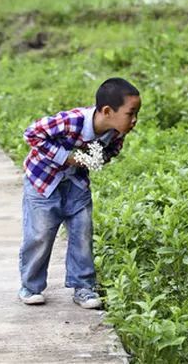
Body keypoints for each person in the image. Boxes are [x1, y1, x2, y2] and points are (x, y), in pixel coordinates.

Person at [19, 78, 141, 308]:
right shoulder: (71, 121)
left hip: (76, 185)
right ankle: (30, 286)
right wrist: (67, 157)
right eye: (130, 113)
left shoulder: (116, 133)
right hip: (43, 182)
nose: (134, 120)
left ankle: (83, 287)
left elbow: (112, 150)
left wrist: (97, 160)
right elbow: (31, 134)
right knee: (40, 235)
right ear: (107, 111)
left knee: (82, 234)